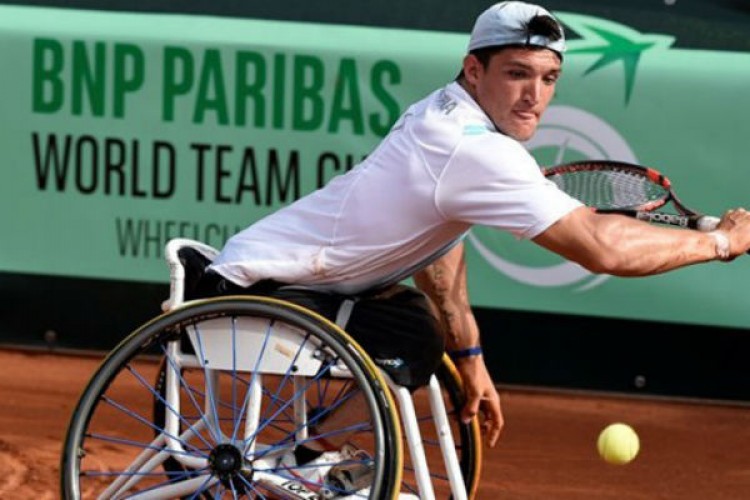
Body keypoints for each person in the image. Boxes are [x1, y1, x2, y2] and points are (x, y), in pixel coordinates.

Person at [191, 0, 750, 490]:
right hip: (259, 289)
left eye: (549, 78)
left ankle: (306, 456)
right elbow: (603, 247)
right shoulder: (472, 147)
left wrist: (470, 358)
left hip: (283, 280)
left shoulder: (452, 113)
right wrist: (721, 242)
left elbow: (438, 246)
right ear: (474, 69)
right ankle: (301, 461)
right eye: (517, 74)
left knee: (412, 326)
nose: (534, 97)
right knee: (407, 335)